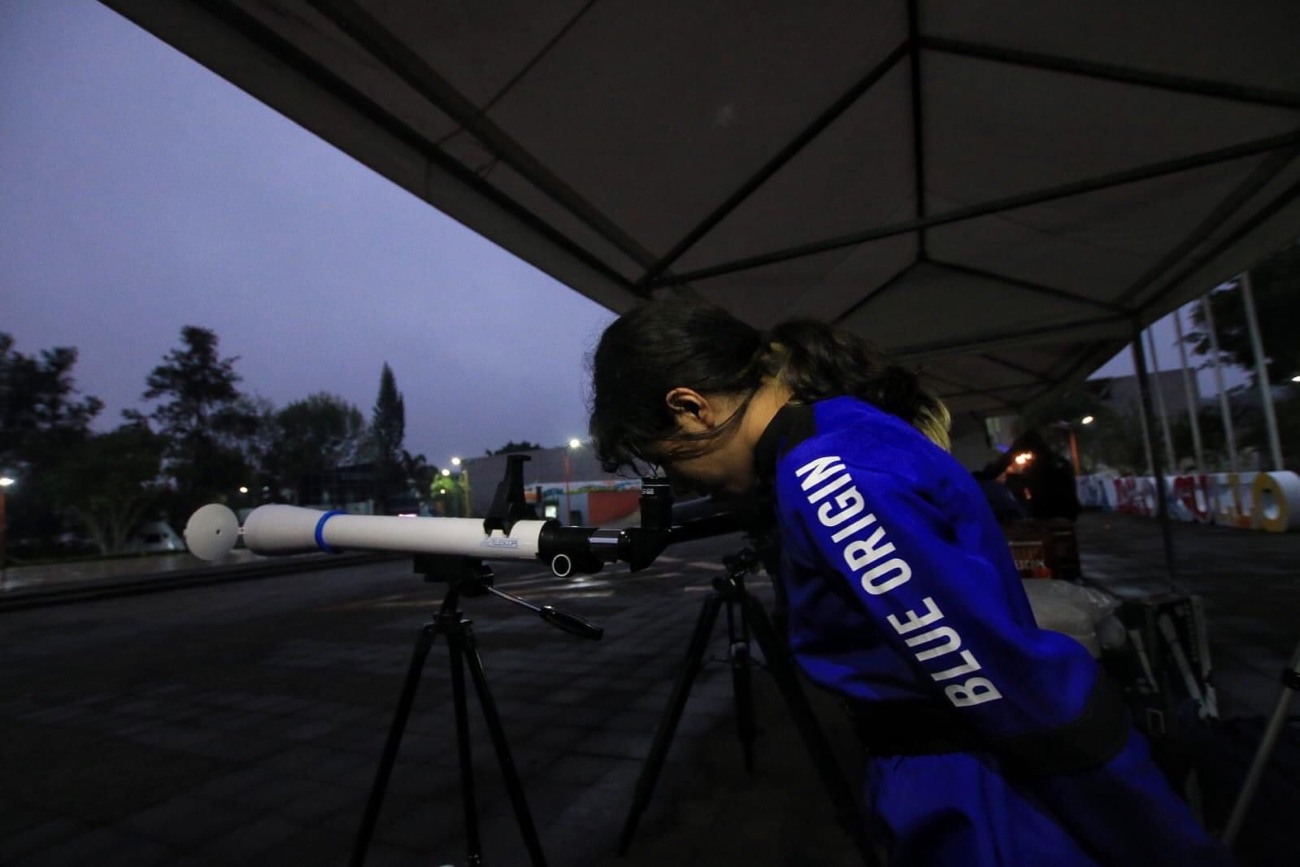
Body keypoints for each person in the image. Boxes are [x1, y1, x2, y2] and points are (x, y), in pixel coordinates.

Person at [587, 296, 1230, 866]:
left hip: (981, 792)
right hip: (972, 770)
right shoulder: (840, 432)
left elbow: (989, 674)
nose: (682, 482)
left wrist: (1153, 828)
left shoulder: (826, 478)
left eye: (669, 462)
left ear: (692, 408)